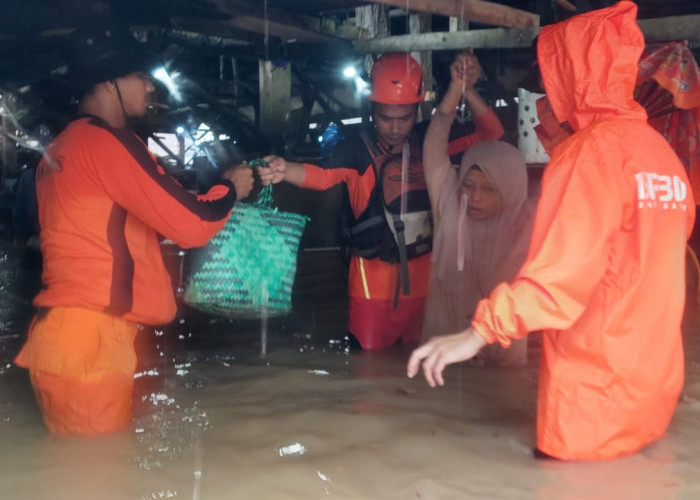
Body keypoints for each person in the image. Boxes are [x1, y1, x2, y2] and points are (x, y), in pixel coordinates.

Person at [407, 1, 696, 461]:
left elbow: (556, 282)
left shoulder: (589, 157)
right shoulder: (661, 156)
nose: (546, 85)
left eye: (553, 71)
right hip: (650, 394)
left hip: (591, 402)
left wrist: (477, 331)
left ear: (574, 73)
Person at [14, 30, 254, 435]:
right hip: (90, 345)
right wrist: (229, 188)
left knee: (76, 475)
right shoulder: (107, 143)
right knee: (97, 477)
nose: (150, 86)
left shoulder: (62, 148)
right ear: (109, 83)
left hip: (64, 338)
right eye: (140, 76)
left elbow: (135, 214)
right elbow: (194, 225)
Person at [261, 52, 504, 351]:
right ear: (372, 110)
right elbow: (321, 175)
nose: (395, 127)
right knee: (370, 373)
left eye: (404, 118)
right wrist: (284, 170)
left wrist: (466, 88)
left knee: (420, 365)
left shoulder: (431, 140)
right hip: (370, 287)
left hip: (426, 283)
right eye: (386, 118)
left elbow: (491, 133)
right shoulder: (356, 149)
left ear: (417, 110)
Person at [421, 53, 533, 366]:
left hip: (504, 352)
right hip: (441, 356)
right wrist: (458, 88)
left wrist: (471, 91)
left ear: (510, 191)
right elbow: (433, 146)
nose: (474, 197)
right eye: (469, 185)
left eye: (488, 189)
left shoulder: (529, 222)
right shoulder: (450, 204)